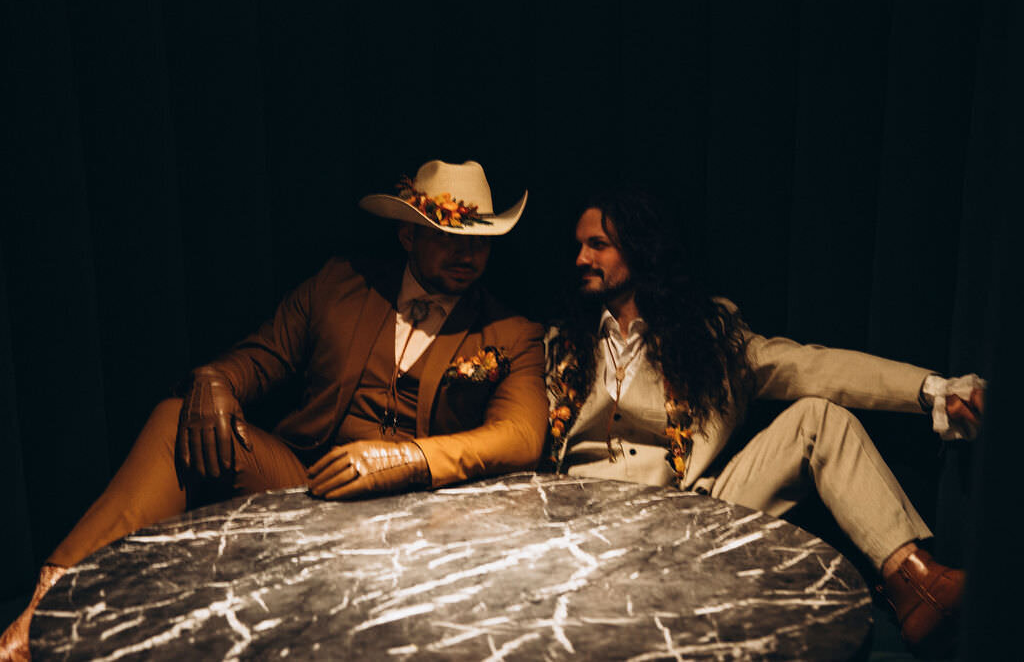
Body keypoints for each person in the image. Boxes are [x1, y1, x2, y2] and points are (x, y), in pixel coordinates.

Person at [1, 160, 548, 660]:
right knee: (178, 415)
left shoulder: (511, 332)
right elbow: (260, 359)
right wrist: (214, 380)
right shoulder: (340, 283)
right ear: (407, 235)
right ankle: (46, 607)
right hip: (307, 486)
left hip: (423, 519)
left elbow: (521, 434)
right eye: (448, 237)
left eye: (480, 241)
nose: (469, 254)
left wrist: (404, 458)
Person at [544, 188, 984, 658]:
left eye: (596, 245)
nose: (580, 258)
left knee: (817, 416)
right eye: (578, 246)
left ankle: (916, 580)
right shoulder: (561, 343)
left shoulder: (707, 335)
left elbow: (812, 366)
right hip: (587, 526)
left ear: (637, 248)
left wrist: (932, 389)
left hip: (689, 515)